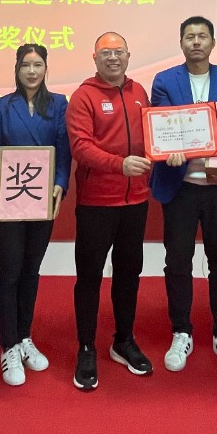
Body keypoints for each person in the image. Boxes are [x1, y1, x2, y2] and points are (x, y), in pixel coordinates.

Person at [149, 16, 217, 376]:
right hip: (181, 187)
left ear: (212, 43)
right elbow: (160, 125)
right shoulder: (165, 80)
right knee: (178, 261)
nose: (196, 42)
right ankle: (181, 331)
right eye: (189, 36)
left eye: (202, 36)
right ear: (181, 43)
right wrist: (167, 151)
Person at [67, 31, 153, 391]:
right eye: (106, 52)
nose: (113, 57)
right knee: (89, 276)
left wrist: (171, 151)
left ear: (129, 56)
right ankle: (86, 347)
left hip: (137, 201)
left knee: (129, 273)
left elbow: (154, 136)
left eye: (119, 52)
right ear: (95, 58)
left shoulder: (139, 92)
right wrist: (120, 165)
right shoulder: (83, 96)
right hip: (97, 203)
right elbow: (81, 147)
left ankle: (123, 340)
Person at [0, 44, 70, 386]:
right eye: (25, 65)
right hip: (9, 201)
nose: (32, 71)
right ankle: (8, 345)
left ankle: (24, 336)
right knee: (10, 271)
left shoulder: (58, 104)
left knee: (31, 270)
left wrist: (59, 183)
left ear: (46, 68)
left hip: (41, 201)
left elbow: (63, 151)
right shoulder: (2, 106)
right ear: (16, 69)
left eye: (38, 65)